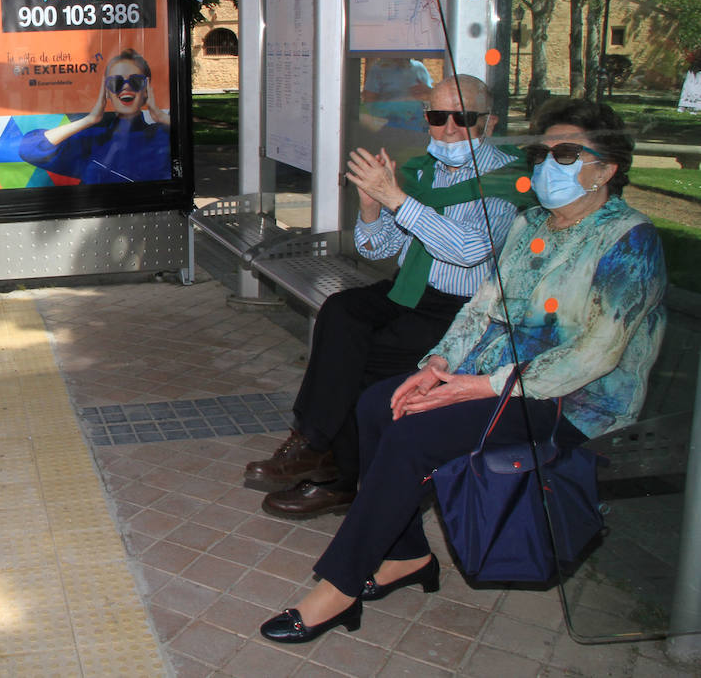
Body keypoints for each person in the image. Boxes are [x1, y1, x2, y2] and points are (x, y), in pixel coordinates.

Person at [258, 97, 666, 644]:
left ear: (607, 169)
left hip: (571, 401)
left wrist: (476, 388)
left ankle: (339, 587)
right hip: (501, 382)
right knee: (380, 403)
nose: (547, 164)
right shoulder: (533, 224)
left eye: (565, 153)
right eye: (542, 153)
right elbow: (481, 306)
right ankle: (406, 557)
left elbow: (596, 355)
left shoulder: (628, 239)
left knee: (414, 437)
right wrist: (439, 366)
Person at [247, 75, 534, 519]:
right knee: (341, 312)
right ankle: (314, 444)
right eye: (438, 118)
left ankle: (335, 472)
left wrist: (397, 199)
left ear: (490, 123)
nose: (450, 129)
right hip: (408, 290)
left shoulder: (502, 181)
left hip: (460, 311)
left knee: (356, 364)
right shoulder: (424, 172)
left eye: (465, 118)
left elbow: (468, 251)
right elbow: (375, 249)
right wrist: (370, 205)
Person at [17, 49, 171, 184]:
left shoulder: (163, 134)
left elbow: (189, 145)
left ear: (147, 89)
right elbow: (30, 149)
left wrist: (160, 116)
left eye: (136, 81)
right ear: (106, 92)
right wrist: (89, 119)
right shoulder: (93, 140)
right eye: (116, 82)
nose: (126, 86)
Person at [361, 57, 434, 131]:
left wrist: (428, 92)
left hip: (416, 128)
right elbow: (369, 105)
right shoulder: (378, 70)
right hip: (389, 129)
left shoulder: (419, 68)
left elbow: (431, 100)